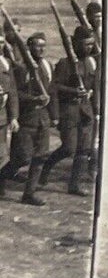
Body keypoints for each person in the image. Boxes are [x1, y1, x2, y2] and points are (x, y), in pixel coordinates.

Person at [39, 26, 98, 196]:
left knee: (84, 149)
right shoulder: (65, 63)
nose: (89, 48)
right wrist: (73, 92)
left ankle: (75, 185)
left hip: (86, 111)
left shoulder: (91, 62)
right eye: (85, 44)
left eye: (91, 44)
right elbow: (55, 87)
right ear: (76, 44)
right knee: (68, 148)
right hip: (69, 112)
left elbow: (94, 85)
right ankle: (47, 167)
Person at [0, 33, 52, 205]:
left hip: (43, 119)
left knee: (41, 157)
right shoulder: (21, 68)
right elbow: (15, 93)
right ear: (29, 47)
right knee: (22, 158)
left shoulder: (47, 65)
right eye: (37, 45)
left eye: (43, 45)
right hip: (27, 119)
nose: (41, 49)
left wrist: (54, 116)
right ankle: (1, 177)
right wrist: (34, 99)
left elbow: (51, 91)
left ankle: (29, 193)